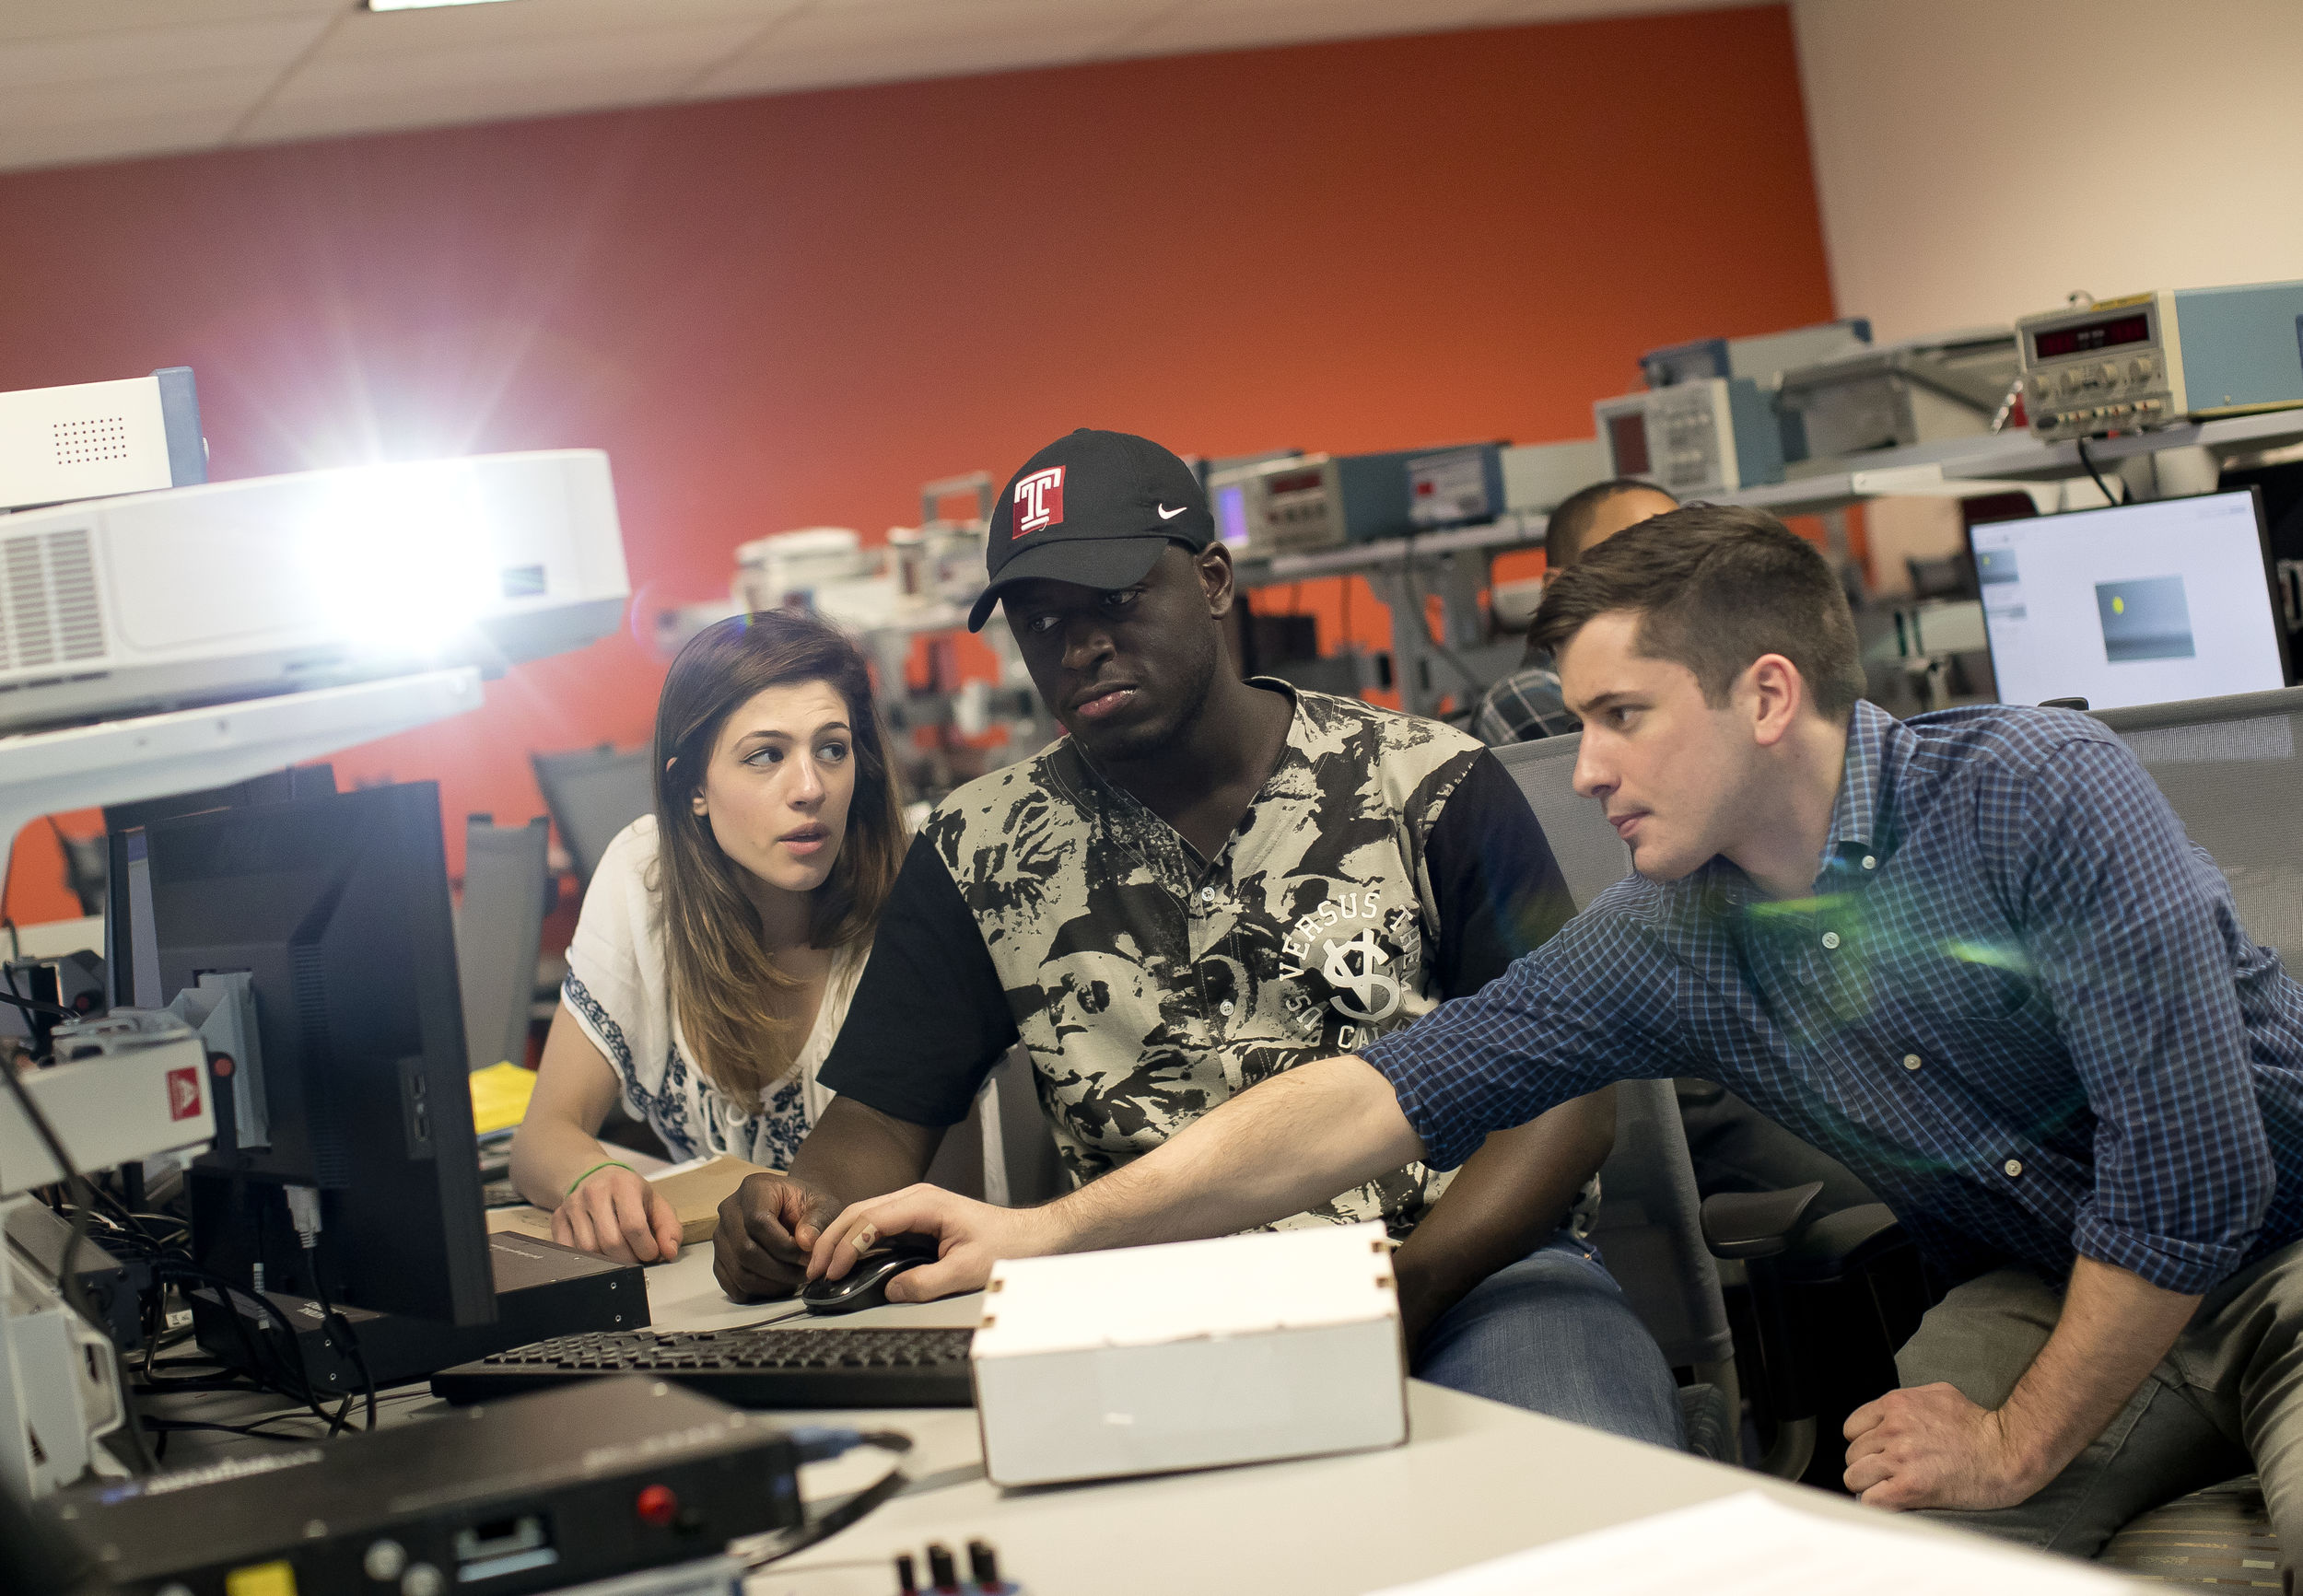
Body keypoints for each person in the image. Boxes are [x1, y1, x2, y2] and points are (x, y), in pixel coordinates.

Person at [810, 504, 2303, 1567]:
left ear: (1766, 694)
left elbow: (2190, 1179)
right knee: (1876, 1565)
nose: (1582, 768)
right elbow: (1371, 1097)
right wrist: (1045, 1227)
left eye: (1620, 714)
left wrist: (2021, 1447)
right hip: (2050, 1282)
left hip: (2276, 1251)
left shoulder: (2033, 790)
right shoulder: (1673, 938)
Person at [715, 428, 1687, 1448]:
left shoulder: (1427, 784)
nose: (1077, 644)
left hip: (1466, 1275)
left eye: (1115, 602)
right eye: (1041, 622)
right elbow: (876, 1122)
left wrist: (1417, 1286)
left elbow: (1568, 1106)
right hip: (1155, 1303)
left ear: (1212, 579)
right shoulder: (977, 850)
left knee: (1582, 1497)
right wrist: (796, 1206)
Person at [1478, 479, 1875, 1217]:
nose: (1589, 772)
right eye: (1630, 558)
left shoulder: (2017, 790)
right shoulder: (1533, 707)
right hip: (1681, 1057)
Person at [509, 611, 906, 1265]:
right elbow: (543, 1136)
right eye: (766, 756)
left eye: (832, 749)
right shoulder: (644, 874)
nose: (810, 788)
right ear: (691, 785)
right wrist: (593, 1179)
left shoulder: (909, 901)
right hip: (721, 1296)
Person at [1471, 477, 1678, 747]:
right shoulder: (1526, 696)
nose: (1670, 579)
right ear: (1557, 588)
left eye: (1680, 556)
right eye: (1635, 560)